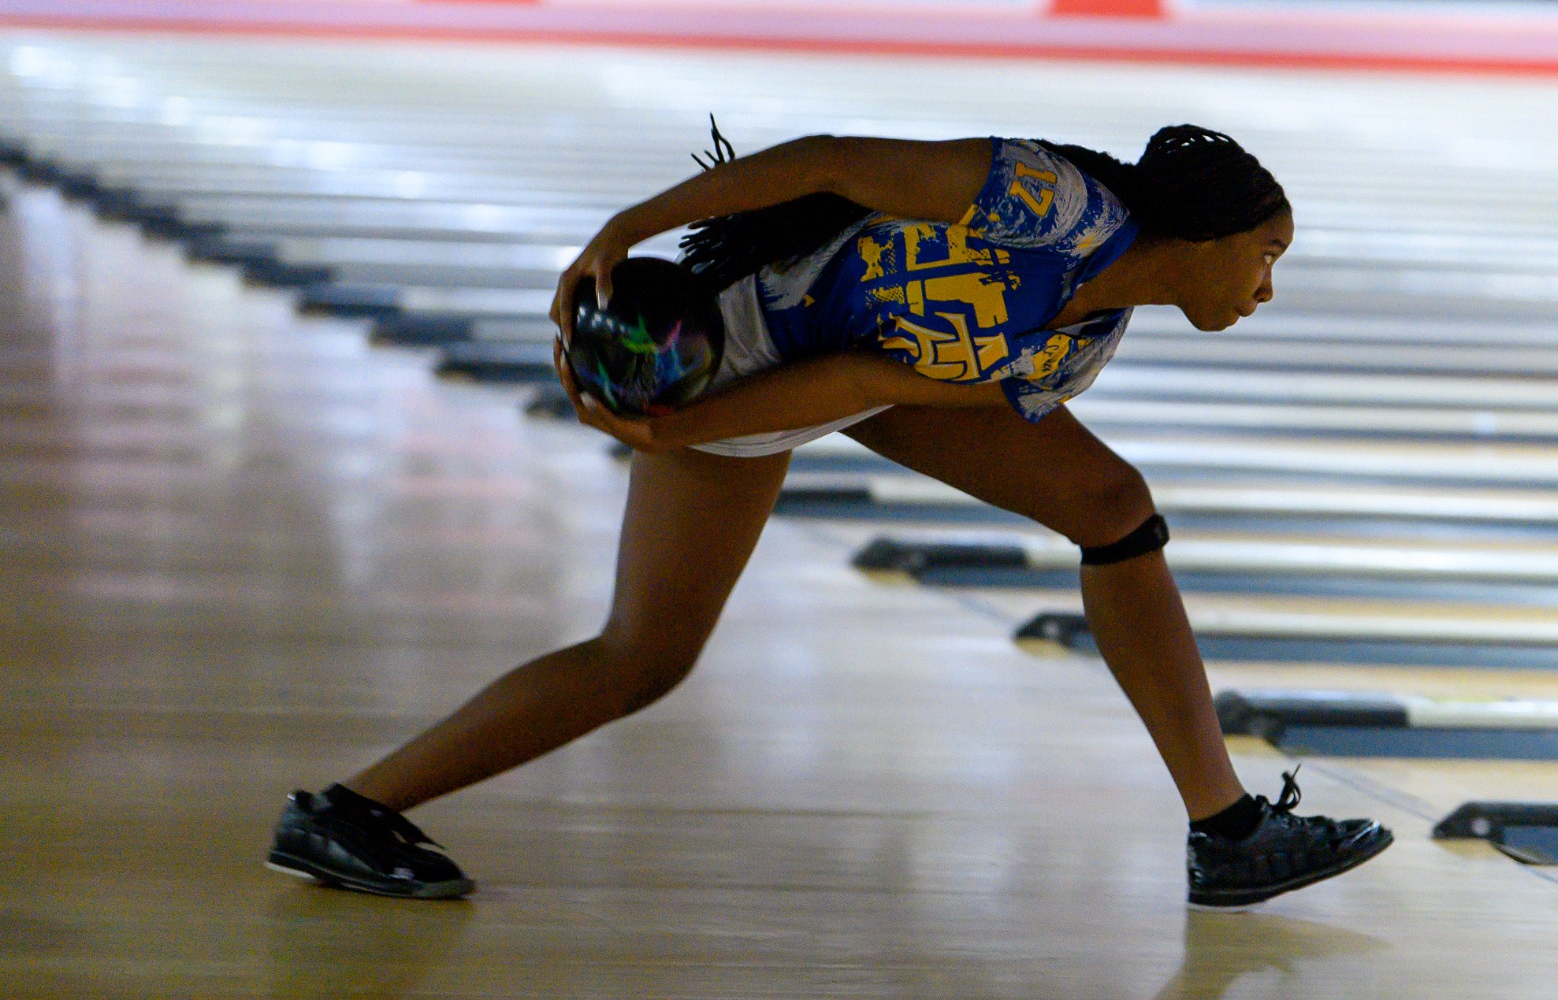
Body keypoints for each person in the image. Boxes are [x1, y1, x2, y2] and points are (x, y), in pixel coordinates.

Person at [266, 125, 1392, 909]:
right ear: (1206, 236)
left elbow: (871, 380)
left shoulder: (1076, 345)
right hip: (731, 342)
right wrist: (630, 227)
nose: (1265, 286)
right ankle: (351, 809)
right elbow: (828, 163)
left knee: (1110, 503)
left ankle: (1228, 832)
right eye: (1266, 254)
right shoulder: (1052, 204)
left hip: (807, 370)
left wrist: (684, 434)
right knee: (642, 656)